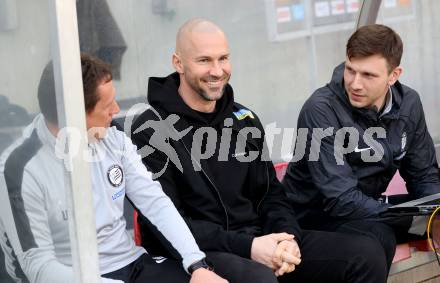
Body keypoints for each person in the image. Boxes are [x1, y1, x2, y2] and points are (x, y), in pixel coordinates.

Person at [130, 18, 387, 283]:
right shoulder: (151, 128)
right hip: (200, 252)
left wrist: (288, 238)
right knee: (259, 278)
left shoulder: (244, 119)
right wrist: (250, 247)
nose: (217, 71)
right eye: (204, 60)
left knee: (365, 254)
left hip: (260, 240)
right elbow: (164, 221)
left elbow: (271, 196)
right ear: (178, 63)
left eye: (223, 58)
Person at [0, 54, 227, 283]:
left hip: (130, 263)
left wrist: (196, 263)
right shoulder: (19, 170)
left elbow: (154, 200)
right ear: (73, 115)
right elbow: (37, 267)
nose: (116, 110)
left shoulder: (113, 135)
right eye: (108, 105)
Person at [282, 24, 440, 270]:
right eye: (350, 70)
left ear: (394, 75)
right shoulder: (321, 109)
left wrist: (434, 215)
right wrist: (407, 217)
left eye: (368, 75)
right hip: (315, 218)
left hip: (368, 205)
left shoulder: (409, 103)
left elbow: (424, 175)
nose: (355, 83)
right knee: (379, 236)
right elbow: (341, 200)